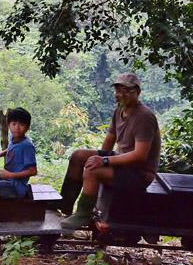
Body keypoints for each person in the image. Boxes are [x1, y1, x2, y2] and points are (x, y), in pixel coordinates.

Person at [59, 73, 161, 229]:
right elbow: (110, 138)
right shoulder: (119, 110)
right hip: (123, 163)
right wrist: (100, 156)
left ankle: (84, 214)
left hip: (139, 174)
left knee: (93, 170)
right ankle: (65, 204)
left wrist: (104, 162)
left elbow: (140, 156)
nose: (120, 95)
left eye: (126, 91)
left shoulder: (144, 117)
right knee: (79, 156)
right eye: (118, 90)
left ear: (137, 92)